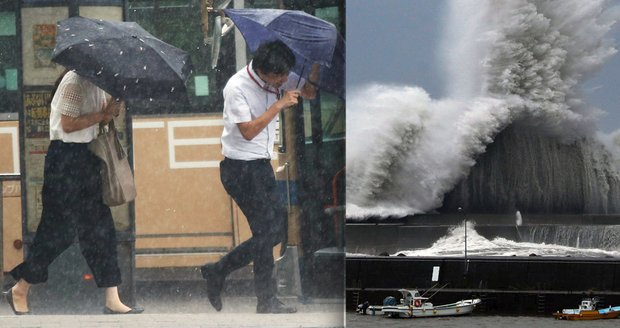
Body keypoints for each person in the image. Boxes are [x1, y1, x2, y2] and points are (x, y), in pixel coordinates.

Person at [3, 70, 143, 315]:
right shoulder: (74, 82)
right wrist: (102, 114)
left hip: (86, 158)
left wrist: (110, 112)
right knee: (58, 232)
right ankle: (21, 287)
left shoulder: (97, 83)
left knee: (101, 229)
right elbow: (67, 124)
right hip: (65, 161)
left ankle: (112, 296)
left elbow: (95, 122)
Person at [200, 40, 319, 314]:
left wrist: (315, 64)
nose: (284, 81)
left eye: (286, 76)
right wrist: (278, 105)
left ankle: (249, 290)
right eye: (280, 77)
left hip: (260, 167)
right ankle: (228, 276)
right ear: (263, 71)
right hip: (240, 170)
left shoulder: (279, 77)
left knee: (270, 231)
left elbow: (310, 92)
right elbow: (248, 131)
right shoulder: (237, 87)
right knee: (270, 232)